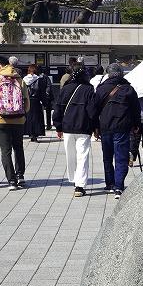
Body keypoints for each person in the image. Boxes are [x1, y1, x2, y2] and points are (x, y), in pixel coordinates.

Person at [95, 62, 140, 196]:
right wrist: (136, 125)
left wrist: (95, 127)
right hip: (122, 127)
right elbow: (136, 109)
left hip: (105, 127)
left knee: (107, 157)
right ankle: (119, 186)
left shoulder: (101, 89)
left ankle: (110, 184)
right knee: (121, 157)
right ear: (121, 73)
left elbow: (94, 109)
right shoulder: (128, 89)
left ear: (108, 74)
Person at [0, 57, 27, 190]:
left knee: (5, 151)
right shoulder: (20, 80)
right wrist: (22, 114)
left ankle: (12, 181)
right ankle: (20, 176)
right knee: (18, 148)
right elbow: (27, 101)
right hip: (18, 120)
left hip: (1, 120)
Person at [52, 62, 95, 197]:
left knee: (70, 155)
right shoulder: (88, 89)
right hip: (83, 127)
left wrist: (58, 126)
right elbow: (92, 111)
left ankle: (74, 179)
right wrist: (95, 126)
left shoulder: (65, 88)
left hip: (67, 127)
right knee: (83, 155)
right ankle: (79, 185)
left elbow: (58, 108)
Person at [22, 64, 46, 142]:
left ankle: (30, 133)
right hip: (36, 101)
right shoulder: (39, 80)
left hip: (27, 101)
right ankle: (35, 134)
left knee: (28, 118)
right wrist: (44, 102)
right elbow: (42, 92)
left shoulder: (24, 79)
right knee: (36, 118)